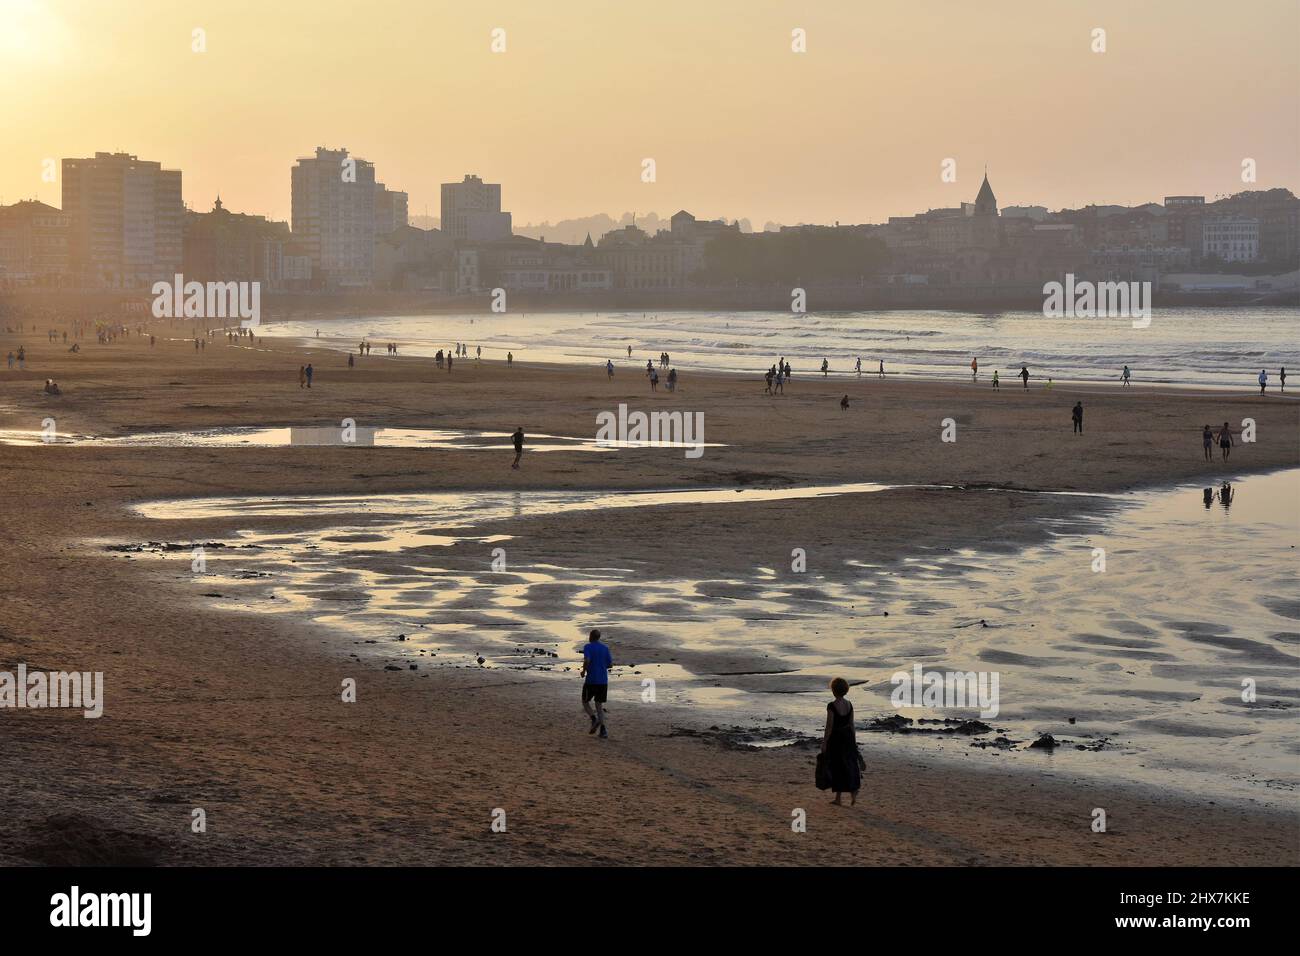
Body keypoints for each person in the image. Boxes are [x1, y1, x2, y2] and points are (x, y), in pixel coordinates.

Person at [820, 677, 863, 806]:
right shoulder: (849, 704)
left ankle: (838, 799)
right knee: (849, 764)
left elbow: (829, 726)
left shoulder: (831, 706)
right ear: (845, 690)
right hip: (848, 737)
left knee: (837, 767)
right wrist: (853, 741)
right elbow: (851, 724)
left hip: (836, 738)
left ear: (833, 691)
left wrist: (824, 742)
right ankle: (853, 791)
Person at [580, 628, 613, 739]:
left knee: (585, 701)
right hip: (603, 681)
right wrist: (601, 664)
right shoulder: (605, 648)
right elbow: (610, 665)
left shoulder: (588, 647)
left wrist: (584, 670)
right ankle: (603, 731)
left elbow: (587, 660)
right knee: (599, 705)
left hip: (591, 680)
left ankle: (594, 719)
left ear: (591, 637)